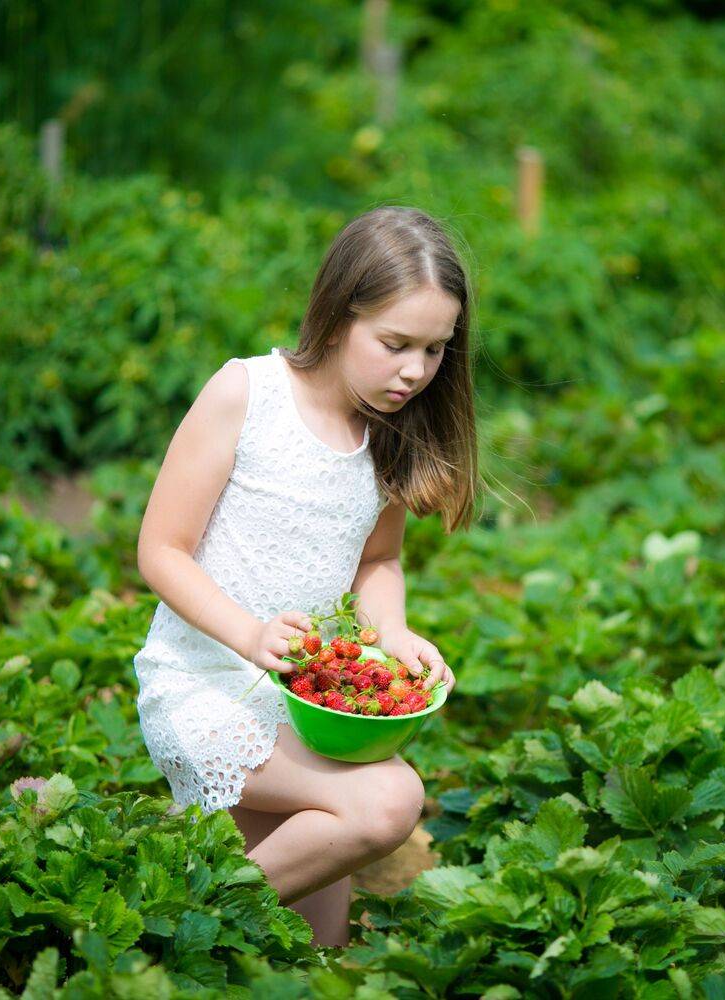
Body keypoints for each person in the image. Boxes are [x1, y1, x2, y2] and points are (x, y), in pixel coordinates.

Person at [131, 205, 477, 948]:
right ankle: (168, 926)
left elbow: (378, 561)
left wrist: (391, 632)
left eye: (435, 350)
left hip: (308, 710)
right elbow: (162, 549)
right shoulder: (246, 395)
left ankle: (181, 879)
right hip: (207, 686)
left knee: (313, 949)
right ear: (336, 315)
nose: (416, 370)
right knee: (389, 801)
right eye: (395, 344)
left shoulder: (386, 433)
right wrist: (249, 634)